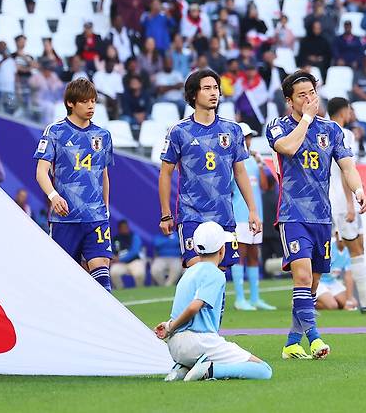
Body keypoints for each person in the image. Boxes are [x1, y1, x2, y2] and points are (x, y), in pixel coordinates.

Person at [266, 71, 366, 360]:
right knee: (301, 276)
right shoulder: (278, 127)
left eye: (312, 93)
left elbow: (347, 166)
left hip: (323, 217)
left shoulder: (332, 130)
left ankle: (291, 343)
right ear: (289, 101)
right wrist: (307, 119)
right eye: (302, 95)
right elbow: (287, 148)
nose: (310, 99)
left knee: (311, 285)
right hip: (292, 213)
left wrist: (359, 189)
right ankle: (314, 338)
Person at [159, 69, 263, 271]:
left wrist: (252, 210)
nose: (214, 92)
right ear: (193, 94)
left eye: (216, 88)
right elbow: (165, 173)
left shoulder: (232, 130)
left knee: (219, 275)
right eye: (207, 88)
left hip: (223, 215)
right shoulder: (179, 131)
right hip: (192, 215)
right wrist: (166, 214)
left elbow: (241, 172)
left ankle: (212, 305)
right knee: (199, 270)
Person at [154, 221, 273, 382]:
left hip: (175, 347)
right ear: (222, 249)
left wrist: (170, 327)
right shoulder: (215, 273)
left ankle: (182, 369)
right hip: (199, 342)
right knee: (264, 370)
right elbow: (194, 307)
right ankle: (211, 370)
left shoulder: (187, 273)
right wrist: (170, 327)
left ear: (196, 249)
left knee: (195, 354)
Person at [34, 78, 114, 292]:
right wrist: (53, 196)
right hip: (65, 218)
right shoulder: (55, 132)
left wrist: (105, 208)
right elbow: (41, 172)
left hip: (95, 217)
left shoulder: (103, 135)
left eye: (93, 102)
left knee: (102, 272)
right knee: (63, 279)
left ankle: (104, 321)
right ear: (71, 103)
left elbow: (103, 174)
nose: (91, 106)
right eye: (85, 101)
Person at [327, 97, 366, 313]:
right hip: (342, 201)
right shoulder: (344, 134)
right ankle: (365, 301)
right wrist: (350, 203)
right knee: (356, 248)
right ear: (344, 111)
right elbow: (346, 170)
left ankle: (307, 301)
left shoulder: (322, 131)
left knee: (349, 246)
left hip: (325, 199)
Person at [231, 122, 275, 311]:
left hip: (256, 216)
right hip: (240, 215)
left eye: (250, 137)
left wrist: (261, 164)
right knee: (240, 254)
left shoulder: (254, 161)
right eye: (246, 137)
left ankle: (255, 298)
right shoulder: (233, 160)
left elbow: (266, 186)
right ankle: (240, 298)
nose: (249, 140)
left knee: (253, 255)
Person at [315, 233, 358, 310]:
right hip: (318, 281)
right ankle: (303, 303)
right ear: (336, 235)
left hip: (332, 281)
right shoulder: (328, 245)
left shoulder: (349, 251)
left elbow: (348, 276)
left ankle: (331, 299)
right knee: (332, 306)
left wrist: (349, 301)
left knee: (353, 304)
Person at [110, 220, 146, 289]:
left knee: (139, 273)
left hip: (134, 261)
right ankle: (121, 289)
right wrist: (113, 257)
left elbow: (134, 252)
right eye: (122, 228)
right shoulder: (115, 239)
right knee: (113, 272)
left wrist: (119, 259)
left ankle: (140, 289)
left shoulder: (134, 236)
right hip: (121, 263)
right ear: (119, 229)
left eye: (126, 227)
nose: (124, 229)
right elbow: (112, 251)